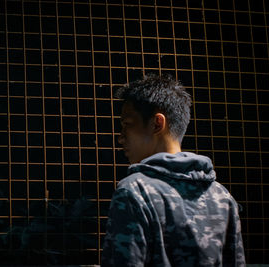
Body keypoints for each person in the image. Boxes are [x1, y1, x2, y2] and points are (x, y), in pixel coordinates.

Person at [101, 74, 245, 266]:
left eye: (127, 125)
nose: (120, 138)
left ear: (157, 123)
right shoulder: (222, 197)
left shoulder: (135, 192)